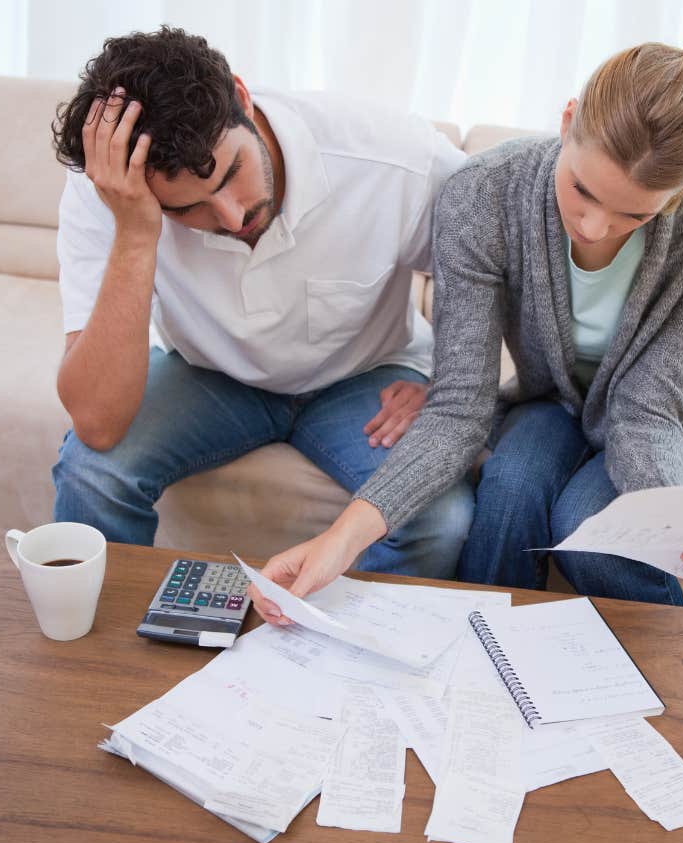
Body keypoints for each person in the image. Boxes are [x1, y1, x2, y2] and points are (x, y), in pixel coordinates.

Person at [250, 26, 683, 623]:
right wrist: (339, 542)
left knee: (590, 528)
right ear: (567, 120)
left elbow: (646, 404)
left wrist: (676, 525)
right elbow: (460, 408)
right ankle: (485, 674)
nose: (592, 226)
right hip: (557, 401)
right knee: (508, 489)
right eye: (580, 189)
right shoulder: (482, 195)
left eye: (633, 214)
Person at [50, 26, 474, 580]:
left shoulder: (397, 159)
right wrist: (136, 232)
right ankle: (112, 663)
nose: (230, 217)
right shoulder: (109, 191)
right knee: (91, 474)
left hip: (364, 376)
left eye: (231, 173)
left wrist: (450, 387)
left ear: (243, 98)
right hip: (211, 377)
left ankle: (357, 661)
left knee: (438, 517)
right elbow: (98, 425)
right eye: (187, 209)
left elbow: (503, 274)